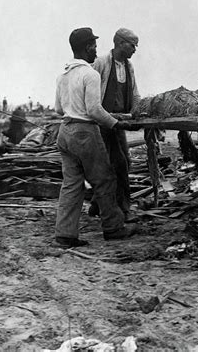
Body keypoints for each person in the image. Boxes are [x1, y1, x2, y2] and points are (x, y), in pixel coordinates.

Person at [54, 27, 137, 248]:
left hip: (65, 132)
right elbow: (94, 110)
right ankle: (113, 228)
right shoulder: (90, 74)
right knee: (106, 178)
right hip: (84, 132)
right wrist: (116, 123)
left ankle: (65, 234)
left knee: (71, 184)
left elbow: (58, 108)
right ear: (87, 47)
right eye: (93, 46)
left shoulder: (63, 75)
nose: (95, 50)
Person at [90, 27, 140, 221]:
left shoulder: (129, 66)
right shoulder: (101, 63)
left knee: (124, 161)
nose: (135, 49)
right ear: (120, 43)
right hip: (102, 122)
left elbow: (134, 92)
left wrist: (137, 111)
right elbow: (92, 93)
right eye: (132, 45)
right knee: (114, 164)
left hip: (120, 122)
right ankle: (122, 209)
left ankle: (97, 204)